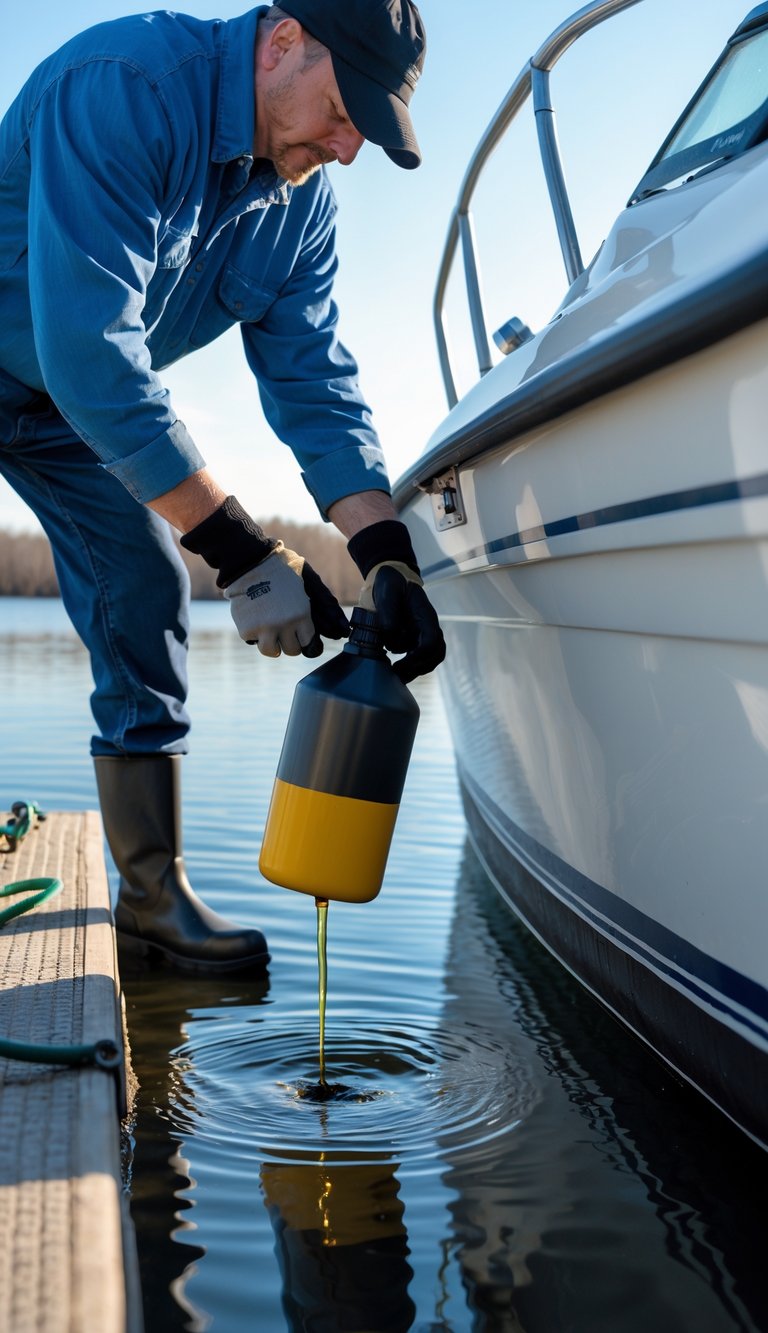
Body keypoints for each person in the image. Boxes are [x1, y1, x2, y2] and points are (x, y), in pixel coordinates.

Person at [0, 0, 445, 975]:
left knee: (149, 586)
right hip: (60, 367)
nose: (348, 144)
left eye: (366, 125)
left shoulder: (302, 204)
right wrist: (245, 555)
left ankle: (151, 902)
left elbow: (316, 383)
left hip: (66, 408)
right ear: (283, 39)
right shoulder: (123, 89)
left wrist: (385, 555)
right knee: (192, 552)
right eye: (341, 108)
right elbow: (92, 350)